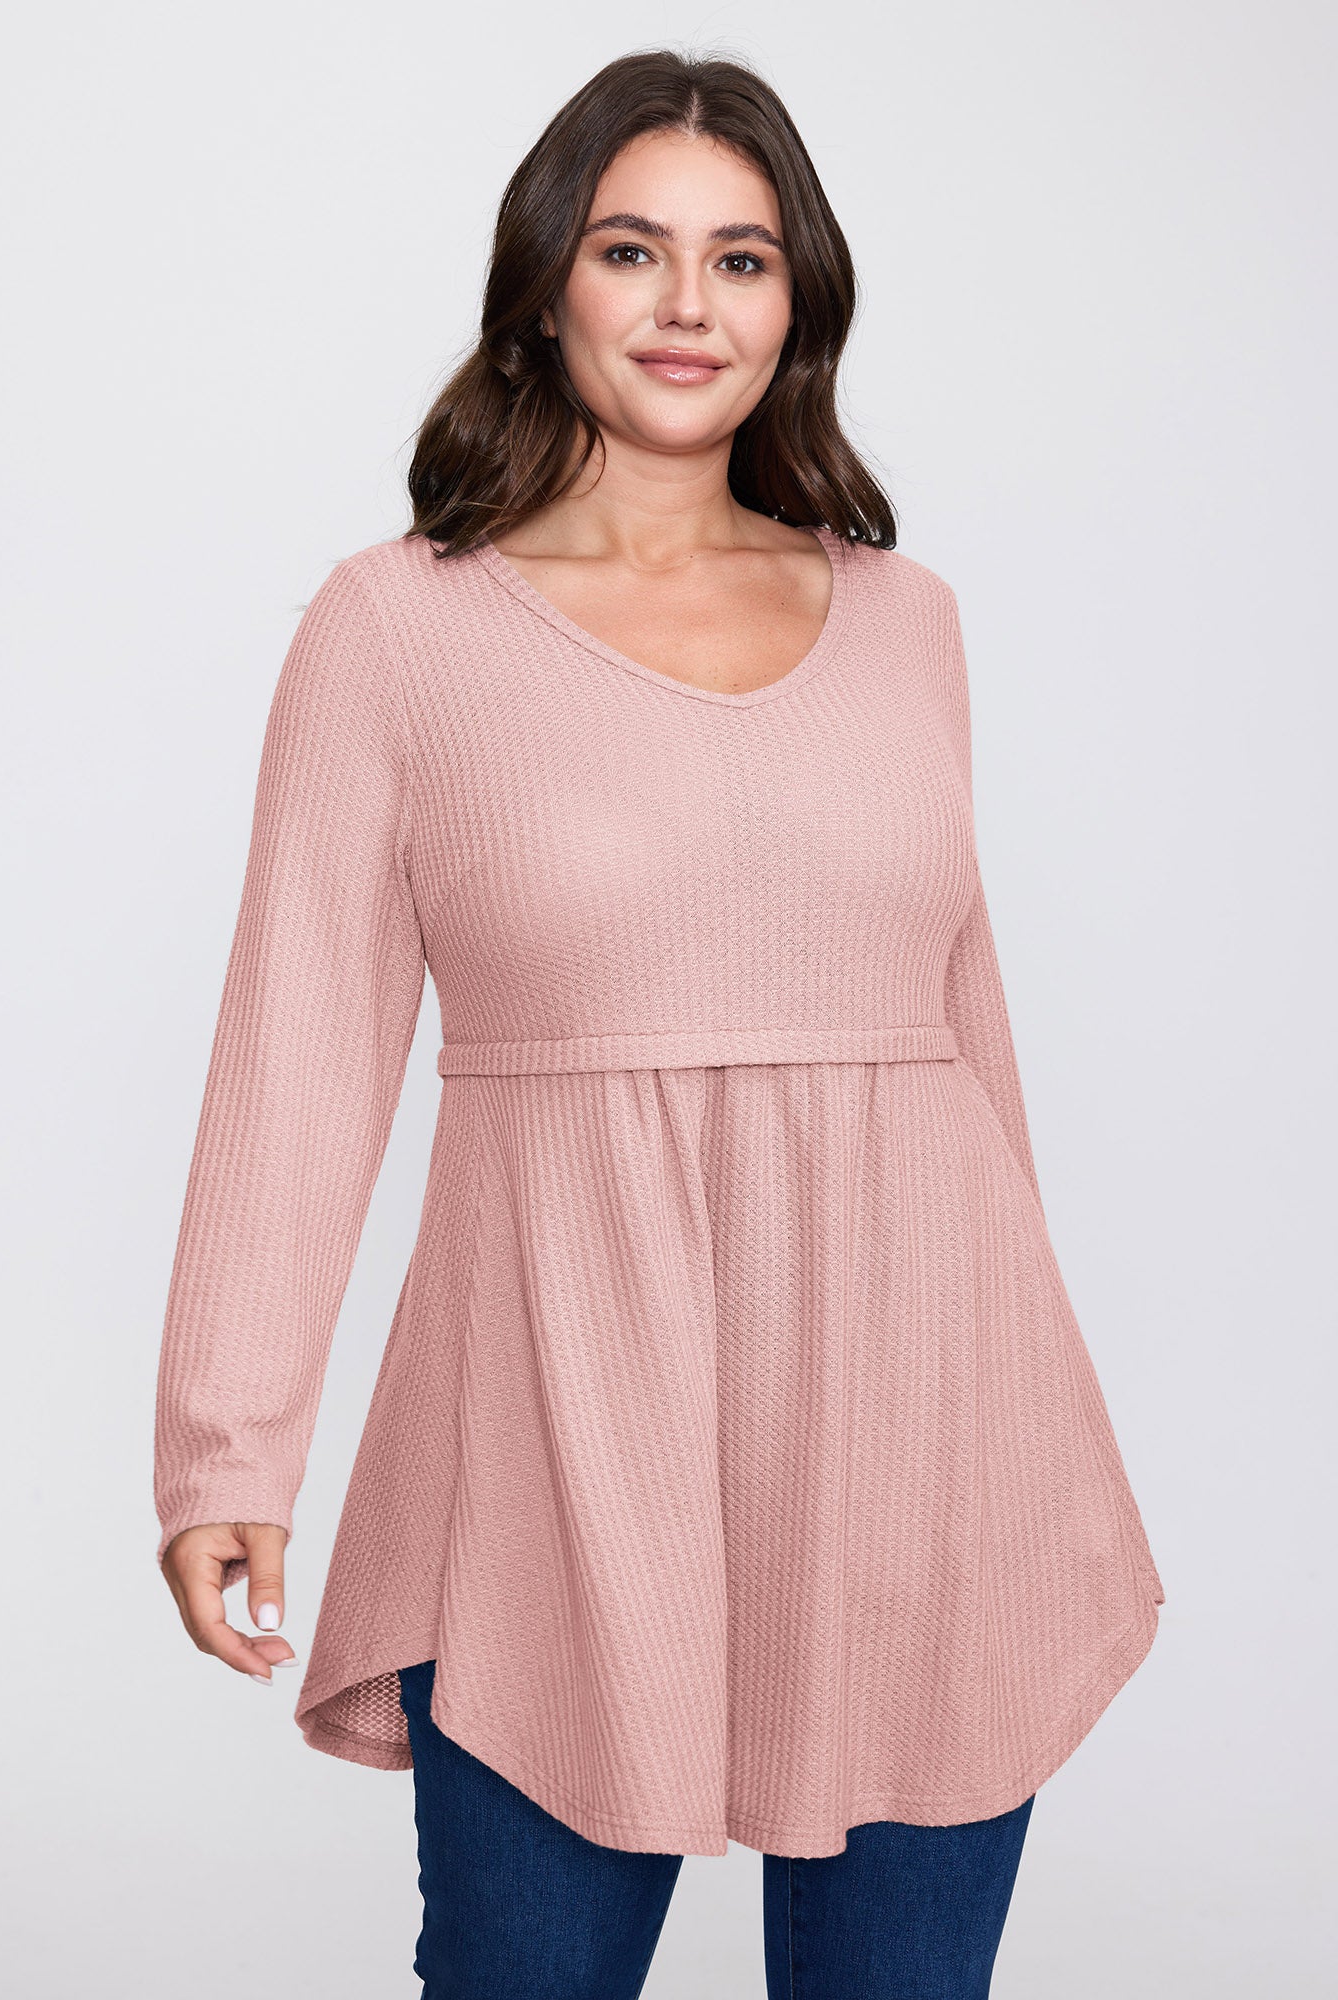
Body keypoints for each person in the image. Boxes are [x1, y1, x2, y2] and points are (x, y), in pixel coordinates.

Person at [153, 47, 1164, 1999]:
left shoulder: (913, 623)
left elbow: (961, 1029)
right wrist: (226, 1448)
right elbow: (300, 1052)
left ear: (799, 307)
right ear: (548, 285)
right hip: (555, 1432)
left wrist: (1035, 1429)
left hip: (920, 1430)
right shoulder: (398, 629)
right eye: (633, 249)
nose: (689, 302)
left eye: (741, 258)